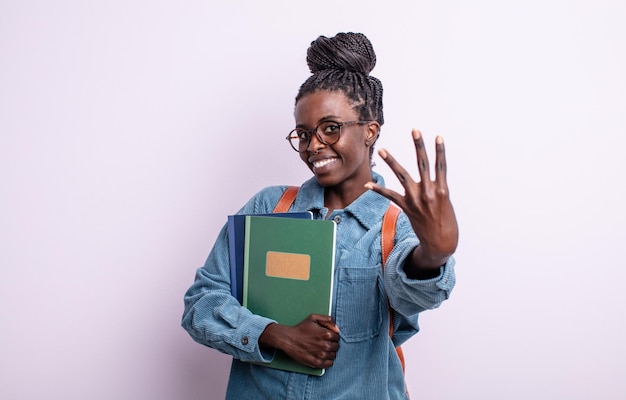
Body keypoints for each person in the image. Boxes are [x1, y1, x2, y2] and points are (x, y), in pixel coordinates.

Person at [181, 32, 458, 399]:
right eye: (304, 133)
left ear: (370, 130)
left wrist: (433, 256)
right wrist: (273, 334)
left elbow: (412, 295)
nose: (314, 146)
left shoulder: (397, 224)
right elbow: (201, 302)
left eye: (331, 128)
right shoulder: (269, 208)